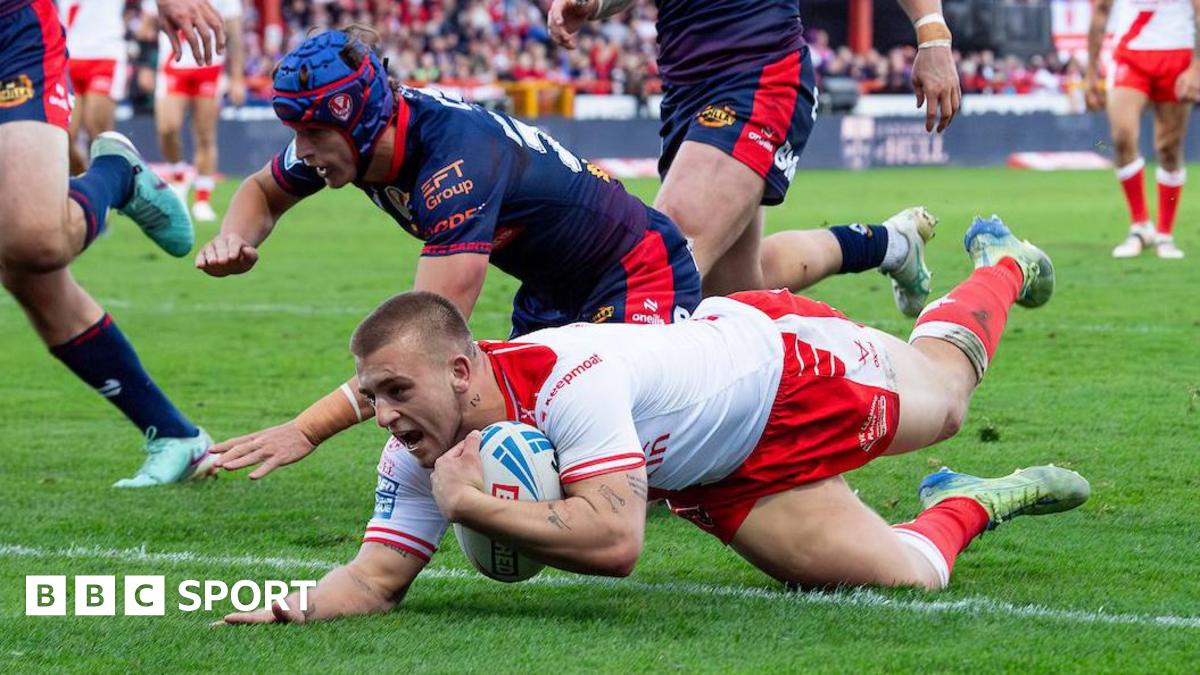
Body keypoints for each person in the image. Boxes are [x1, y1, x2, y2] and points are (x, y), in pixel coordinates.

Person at [217, 215, 1089, 625]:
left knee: (949, 393)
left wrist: (475, 507)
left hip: (784, 372)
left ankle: (1004, 263)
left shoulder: (570, 376)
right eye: (371, 397)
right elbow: (372, 581)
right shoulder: (419, 448)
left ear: (460, 368)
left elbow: (617, 541)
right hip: (713, 475)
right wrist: (287, 608)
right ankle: (986, 494)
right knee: (907, 580)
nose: (385, 417)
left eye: (396, 392)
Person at [196, 28, 704, 478]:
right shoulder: (351, 135)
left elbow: (422, 342)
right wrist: (235, 236)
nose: (302, 150)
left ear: (362, 118)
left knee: (614, 467)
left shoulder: (454, 163)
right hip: (550, 291)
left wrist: (306, 429)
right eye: (296, 134)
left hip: (636, 270)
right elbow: (261, 192)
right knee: (504, 444)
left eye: (313, 134)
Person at [546, 0, 960, 308]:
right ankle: (891, 243)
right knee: (733, 298)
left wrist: (933, 34)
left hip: (760, 73)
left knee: (660, 260)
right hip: (684, 94)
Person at [0, 0, 225, 487]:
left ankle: (116, 175)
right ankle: (175, 436)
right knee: (26, 271)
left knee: (34, 240)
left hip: (10, 27)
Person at [1086, 0, 1200, 259]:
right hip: (1130, 55)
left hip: (1178, 56)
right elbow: (1102, 11)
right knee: (1122, 137)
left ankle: (1164, 234)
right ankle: (1140, 226)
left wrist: (1196, 66)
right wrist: (1091, 73)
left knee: (1169, 149)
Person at [146, 0, 245, 222]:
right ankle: (179, 174)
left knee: (205, 135)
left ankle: (202, 199)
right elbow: (149, 21)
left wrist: (237, 77)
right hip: (173, 64)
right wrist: (145, 63)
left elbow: (235, 32)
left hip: (209, 67)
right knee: (167, 128)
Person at [60, 0, 128, 174]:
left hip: (105, 53)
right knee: (63, 136)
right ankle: (85, 183)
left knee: (97, 128)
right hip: (68, 54)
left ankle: (112, 186)